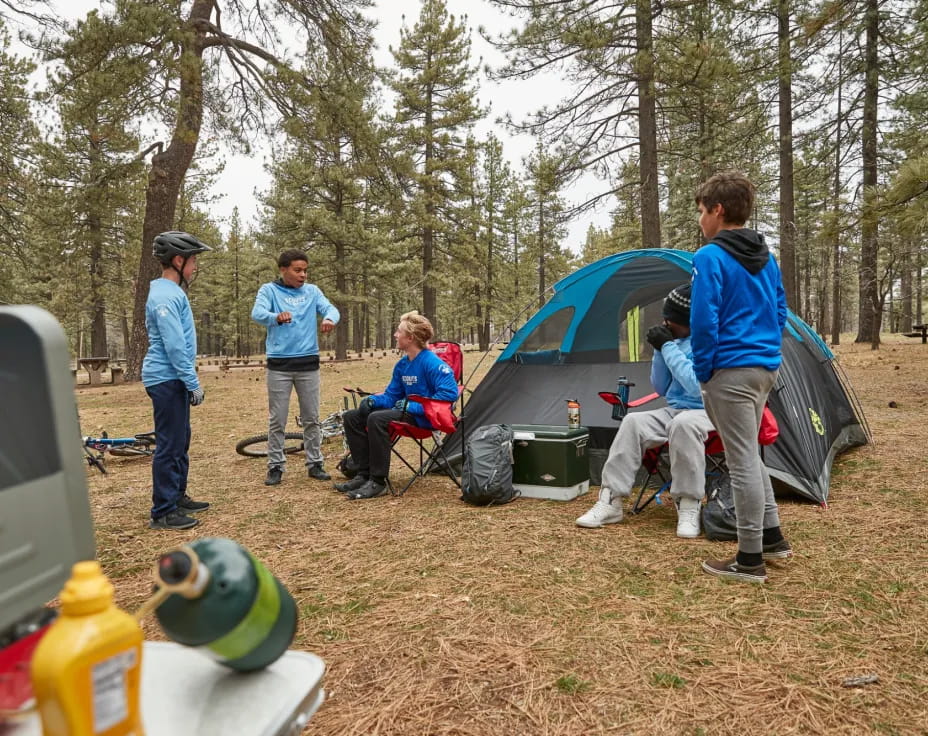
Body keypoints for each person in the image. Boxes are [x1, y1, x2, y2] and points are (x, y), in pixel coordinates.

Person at [690, 171, 791, 584]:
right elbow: (781, 311)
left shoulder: (710, 258)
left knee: (741, 460)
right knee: (751, 453)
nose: (700, 220)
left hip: (730, 369)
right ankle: (772, 537)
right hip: (765, 366)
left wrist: (703, 369)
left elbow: (703, 319)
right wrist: (766, 348)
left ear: (718, 210)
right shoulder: (766, 257)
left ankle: (749, 559)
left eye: (701, 211)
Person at [575, 284, 716, 538]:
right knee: (633, 422)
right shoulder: (675, 341)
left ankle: (689, 503)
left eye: (672, 320)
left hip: (711, 411)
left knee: (682, 425)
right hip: (676, 410)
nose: (667, 323)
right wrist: (660, 350)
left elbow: (697, 388)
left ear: (691, 321)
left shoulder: (712, 341)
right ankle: (611, 501)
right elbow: (661, 387)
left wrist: (668, 348)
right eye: (666, 318)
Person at [334, 311, 458, 500]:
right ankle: (363, 474)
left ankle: (377, 481)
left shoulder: (432, 363)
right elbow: (392, 396)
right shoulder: (402, 364)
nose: (395, 335)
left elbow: (449, 395)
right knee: (352, 416)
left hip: (424, 418)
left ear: (410, 338)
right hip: (405, 412)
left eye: (398, 332)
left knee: (377, 419)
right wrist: (373, 401)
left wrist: (413, 407)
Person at [142, 231, 213, 530]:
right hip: (166, 378)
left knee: (181, 440)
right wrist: (191, 380)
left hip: (174, 378)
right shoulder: (165, 296)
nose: (195, 267)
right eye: (193, 260)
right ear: (179, 260)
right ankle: (163, 511)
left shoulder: (171, 292)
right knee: (170, 445)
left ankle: (177, 495)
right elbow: (174, 346)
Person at [251, 249, 340, 486]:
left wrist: (330, 319)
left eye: (305, 270)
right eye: (297, 270)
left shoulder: (312, 292)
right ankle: (275, 466)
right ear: (283, 269)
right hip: (279, 366)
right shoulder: (269, 290)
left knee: (312, 417)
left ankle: (315, 463)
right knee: (277, 419)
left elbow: (331, 308)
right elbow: (257, 313)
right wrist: (276, 317)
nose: (303, 275)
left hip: (308, 365)